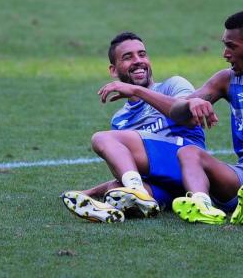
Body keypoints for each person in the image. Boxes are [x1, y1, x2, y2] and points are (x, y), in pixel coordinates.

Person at [61, 32, 206, 223]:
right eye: (128, 57)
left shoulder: (173, 85)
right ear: (113, 71)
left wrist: (138, 91)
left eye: (142, 54)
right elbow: (131, 170)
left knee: (101, 138)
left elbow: (185, 112)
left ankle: (136, 193)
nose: (138, 61)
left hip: (191, 168)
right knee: (116, 190)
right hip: (168, 186)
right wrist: (92, 191)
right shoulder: (120, 119)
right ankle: (114, 208)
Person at [168, 10, 243, 225]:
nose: (225, 54)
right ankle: (202, 205)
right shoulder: (227, 79)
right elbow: (176, 114)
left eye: (231, 46)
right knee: (189, 153)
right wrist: (191, 103)